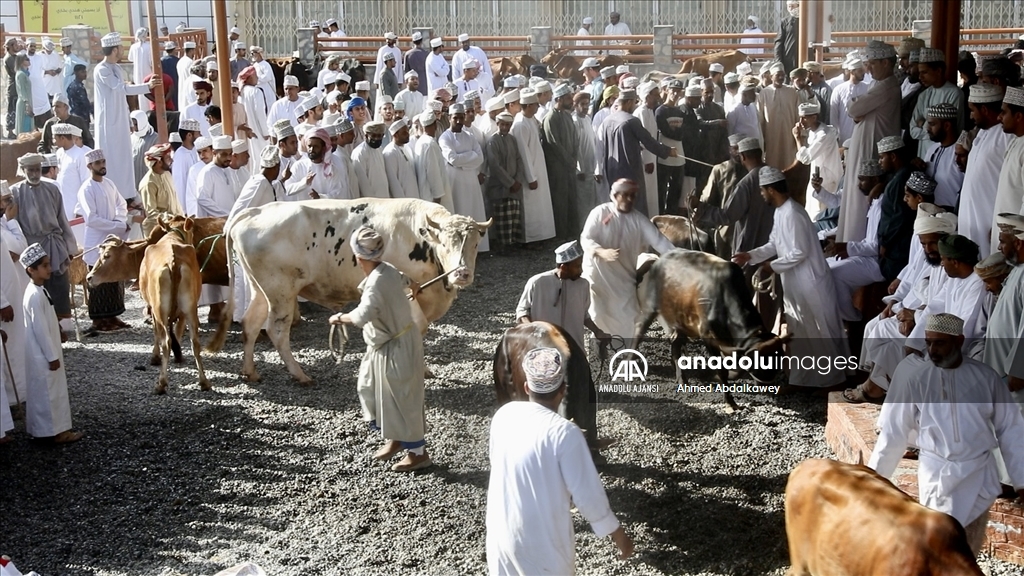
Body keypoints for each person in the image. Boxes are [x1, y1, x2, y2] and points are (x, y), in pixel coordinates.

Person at [869, 313, 1024, 556]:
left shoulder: (986, 378)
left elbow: (1011, 428)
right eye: (929, 342)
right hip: (936, 475)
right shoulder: (917, 379)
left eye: (940, 343)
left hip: (977, 475)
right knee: (938, 548)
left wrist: (1021, 479)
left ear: (959, 341)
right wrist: (875, 479)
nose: (932, 349)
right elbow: (893, 432)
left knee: (966, 551)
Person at [486, 346, 633, 574]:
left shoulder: (504, 415)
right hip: (542, 546)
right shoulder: (565, 433)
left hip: (500, 535)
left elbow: (499, 465)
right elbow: (587, 494)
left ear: (527, 387)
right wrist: (617, 533)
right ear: (562, 390)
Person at [733, 167, 849, 389]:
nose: (762, 195)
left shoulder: (794, 213)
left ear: (771, 189)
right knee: (801, 331)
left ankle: (832, 383)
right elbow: (775, 244)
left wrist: (770, 267)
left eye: (762, 191)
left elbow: (800, 252)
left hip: (811, 282)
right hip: (796, 284)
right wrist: (751, 255)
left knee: (820, 331)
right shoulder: (780, 212)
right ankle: (803, 380)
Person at [329, 227, 430, 472]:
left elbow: (363, 315)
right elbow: (406, 279)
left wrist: (339, 318)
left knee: (404, 398)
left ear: (357, 256)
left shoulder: (376, 283)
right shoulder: (387, 270)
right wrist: (414, 284)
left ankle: (418, 453)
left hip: (398, 346)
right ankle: (395, 435)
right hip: (384, 345)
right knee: (371, 388)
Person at [689, 138, 778, 330]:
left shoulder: (746, 184)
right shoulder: (776, 175)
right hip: (775, 250)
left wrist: (700, 208)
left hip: (749, 249)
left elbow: (728, 215)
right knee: (768, 298)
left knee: (739, 297)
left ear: (743, 156)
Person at [582, 179, 675, 344]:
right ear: (615, 196)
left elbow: (660, 242)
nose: (630, 200)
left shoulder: (639, 220)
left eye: (633, 196)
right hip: (598, 276)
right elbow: (586, 238)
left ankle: (625, 353)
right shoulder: (600, 212)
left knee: (628, 316)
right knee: (599, 313)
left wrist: (685, 257)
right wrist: (600, 251)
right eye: (625, 195)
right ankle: (600, 347)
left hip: (624, 278)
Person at [836, 41, 901, 243]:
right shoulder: (877, 84)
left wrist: (857, 107)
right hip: (864, 148)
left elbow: (854, 110)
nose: (868, 68)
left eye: (873, 63)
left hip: (871, 151)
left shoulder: (886, 86)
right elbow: (856, 112)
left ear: (886, 63)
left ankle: (856, 246)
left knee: (860, 202)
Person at [19, 244, 82, 444]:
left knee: (45, 391)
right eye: (44, 266)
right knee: (50, 392)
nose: (49, 269)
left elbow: (47, 320)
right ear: (31, 269)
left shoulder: (38, 290)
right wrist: (52, 356)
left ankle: (45, 431)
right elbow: (40, 330)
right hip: (43, 354)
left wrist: (59, 330)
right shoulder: (34, 295)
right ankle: (55, 432)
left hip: (44, 351)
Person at [10, 154, 79, 333]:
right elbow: (13, 223)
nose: (34, 173)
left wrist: (69, 247)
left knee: (59, 286)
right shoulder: (15, 193)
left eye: (37, 169)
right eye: (30, 170)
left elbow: (62, 219)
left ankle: (62, 331)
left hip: (54, 246)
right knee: (36, 289)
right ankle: (42, 332)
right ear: (23, 171)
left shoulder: (52, 189)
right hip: (30, 248)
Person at [96, 32, 159, 206]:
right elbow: (121, 88)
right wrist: (147, 87)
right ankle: (113, 194)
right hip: (109, 121)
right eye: (121, 47)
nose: (123, 50)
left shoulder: (116, 68)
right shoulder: (102, 69)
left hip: (121, 119)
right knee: (112, 157)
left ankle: (127, 193)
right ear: (115, 49)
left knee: (124, 156)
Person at [78, 149, 137, 332]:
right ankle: (98, 321)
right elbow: (92, 219)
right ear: (89, 166)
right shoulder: (86, 188)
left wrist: (120, 221)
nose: (102, 165)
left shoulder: (109, 184)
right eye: (98, 163)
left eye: (103, 161)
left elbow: (121, 205)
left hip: (112, 239)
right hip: (96, 240)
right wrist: (116, 226)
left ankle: (113, 315)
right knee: (98, 279)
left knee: (114, 277)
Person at [598, 90, 678, 217]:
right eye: (634, 102)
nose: (635, 105)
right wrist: (668, 151)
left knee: (618, 204)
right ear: (629, 102)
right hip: (629, 169)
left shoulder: (608, 120)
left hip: (612, 170)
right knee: (635, 206)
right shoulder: (631, 121)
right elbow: (649, 141)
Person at [958, 85, 1010, 255]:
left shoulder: (1006, 136)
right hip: (970, 219)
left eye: (973, 110)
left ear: (985, 110)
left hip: (989, 221)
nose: (971, 115)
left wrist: (998, 224)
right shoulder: (981, 133)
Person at [985, 214, 1024, 405]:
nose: (999, 247)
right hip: (1002, 365)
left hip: (1015, 375)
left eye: (1002, 242)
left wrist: (1018, 369)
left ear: (1018, 243)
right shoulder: (1017, 268)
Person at [439, 103, 489, 251]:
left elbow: (479, 158)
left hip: (471, 181)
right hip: (455, 181)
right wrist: (469, 158)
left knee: (473, 211)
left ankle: (477, 247)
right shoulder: (444, 137)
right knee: (459, 211)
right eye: (456, 118)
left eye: (461, 117)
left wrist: (463, 162)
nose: (459, 121)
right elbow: (452, 159)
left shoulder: (470, 136)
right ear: (449, 118)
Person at [510, 91, 556, 245]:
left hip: (538, 168)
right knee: (531, 208)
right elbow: (523, 154)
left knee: (540, 206)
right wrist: (531, 177)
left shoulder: (530, 120)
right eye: (535, 104)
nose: (538, 107)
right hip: (530, 173)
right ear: (529, 106)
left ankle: (542, 236)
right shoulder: (520, 124)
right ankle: (530, 239)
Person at [909, 48, 965, 158]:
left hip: (945, 155)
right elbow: (912, 131)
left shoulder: (954, 94)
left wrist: (923, 124)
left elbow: (950, 132)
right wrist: (932, 128)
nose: (920, 77)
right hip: (923, 156)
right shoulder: (924, 95)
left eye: (924, 72)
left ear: (938, 71)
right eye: (920, 73)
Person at [701, 134, 749, 259]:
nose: (739, 152)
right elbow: (707, 198)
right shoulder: (719, 170)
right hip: (726, 230)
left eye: (742, 149)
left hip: (748, 228)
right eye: (735, 148)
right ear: (729, 149)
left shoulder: (753, 170)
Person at [484, 111, 527, 251]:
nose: (505, 127)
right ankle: (503, 246)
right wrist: (510, 183)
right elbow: (495, 166)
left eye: (508, 125)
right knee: (502, 218)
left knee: (513, 216)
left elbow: (519, 160)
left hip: (514, 185)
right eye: (502, 124)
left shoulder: (512, 139)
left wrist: (518, 179)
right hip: (499, 187)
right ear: (497, 124)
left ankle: (512, 243)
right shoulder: (492, 141)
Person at [542, 84, 581, 239]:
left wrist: (574, 158)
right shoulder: (551, 118)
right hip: (558, 169)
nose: (571, 100)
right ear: (559, 99)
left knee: (571, 200)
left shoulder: (566, 116)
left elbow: (575, 140)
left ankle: (572, 234)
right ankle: (560, 236)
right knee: (560, 202)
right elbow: (554, 144)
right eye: (568, 98)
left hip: (569, 167)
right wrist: (569, 160)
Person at [0, 193, 27, 416]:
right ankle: (10, 400)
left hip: (12, 296)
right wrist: (2, 302)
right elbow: (19, 246)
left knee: (16, 346)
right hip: (4, 301)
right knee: (7, 349)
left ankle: (18, 395)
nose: (4, 206)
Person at [794, 101, 841, 217]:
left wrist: (797, 138)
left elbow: (806, 158)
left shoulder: (824, 134)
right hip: (817, 176)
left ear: (814, 117)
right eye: (800, 118)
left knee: (821, 213)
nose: (801, 122)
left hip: (827, 179)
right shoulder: (813, 132)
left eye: (804, 118)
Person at [992, 86, 1024, 253]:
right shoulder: (1015, 141)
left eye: (1004, 113)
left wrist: (1018, 236)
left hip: (1016, 240)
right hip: (1006, 236)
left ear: (1018, 116)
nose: (999, 117)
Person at [758, 62, 800, 174]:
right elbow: (760, 118)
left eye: (783, 75)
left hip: (789, 136)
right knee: (773, 165)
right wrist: (762, 139)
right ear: (771, 77)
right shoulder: (764, 93)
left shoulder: (792, 91)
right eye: (778, 75)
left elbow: (797, 114)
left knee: (789, 164)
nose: (781, 77)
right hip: (771, 137)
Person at [138, 143, 182, 237]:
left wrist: (181, 218)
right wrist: (170, 218)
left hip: (175, 226)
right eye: (168, 158)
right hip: (158, 232)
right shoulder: (148, 183)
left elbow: (175, 201)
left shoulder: (167, 174)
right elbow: (151, 213)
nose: (171, 160)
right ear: (159, 162)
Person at [830, 57, 870, 145]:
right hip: (844, 135)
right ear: (852, 72)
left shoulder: (868, 88)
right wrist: (835, 135)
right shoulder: (839, 90)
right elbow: (834, 115)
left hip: (863, 135)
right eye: (860, 71)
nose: (863, 73)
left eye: (863, 70)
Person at [382, 119, 418, 199]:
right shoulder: (389, 152)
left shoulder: (407, 148)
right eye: (404, 133)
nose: (408, 134)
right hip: (403, 201)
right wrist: (402, 202)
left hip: (414, 197)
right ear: (395, 135)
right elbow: (393, 182)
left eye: (408, 131)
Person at [352, 121, 388, 199]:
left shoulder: (379, 149)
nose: (377, 139)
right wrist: (373, 202)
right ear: (366, 135)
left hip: (384, 198)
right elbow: (363, 183)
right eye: (374, 136)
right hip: (372, 201)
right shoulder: (359, 153)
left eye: (379, 136)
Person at [775, 1, 801, 75]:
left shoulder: (808, 20)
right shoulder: (785, 22)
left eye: (793, 6)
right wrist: (778, 60)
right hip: (789, 58)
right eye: (789, 6)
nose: (790, 9)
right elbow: (779, 41)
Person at [404, 32, 429, 96]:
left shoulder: (408, 54)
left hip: (411, 84)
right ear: (421, 41)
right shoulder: (426, 54)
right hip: (424, 84)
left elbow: (406, 70)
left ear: (413, 41)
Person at [13, 53, 32, 135]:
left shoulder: (25, 74)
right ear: (21, 62)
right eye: (26, 59)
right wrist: (27, 104)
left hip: (27, 101)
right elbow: (22, 91)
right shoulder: (21, 74)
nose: (29, 60)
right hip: (24, 103)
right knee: (25, 125)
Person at [175, 41, 196, 110]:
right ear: (191, 50)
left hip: (182, 88)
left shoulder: (180, 61)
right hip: (189, 88)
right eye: (193, 51)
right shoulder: (190, 62)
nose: (194, 53)